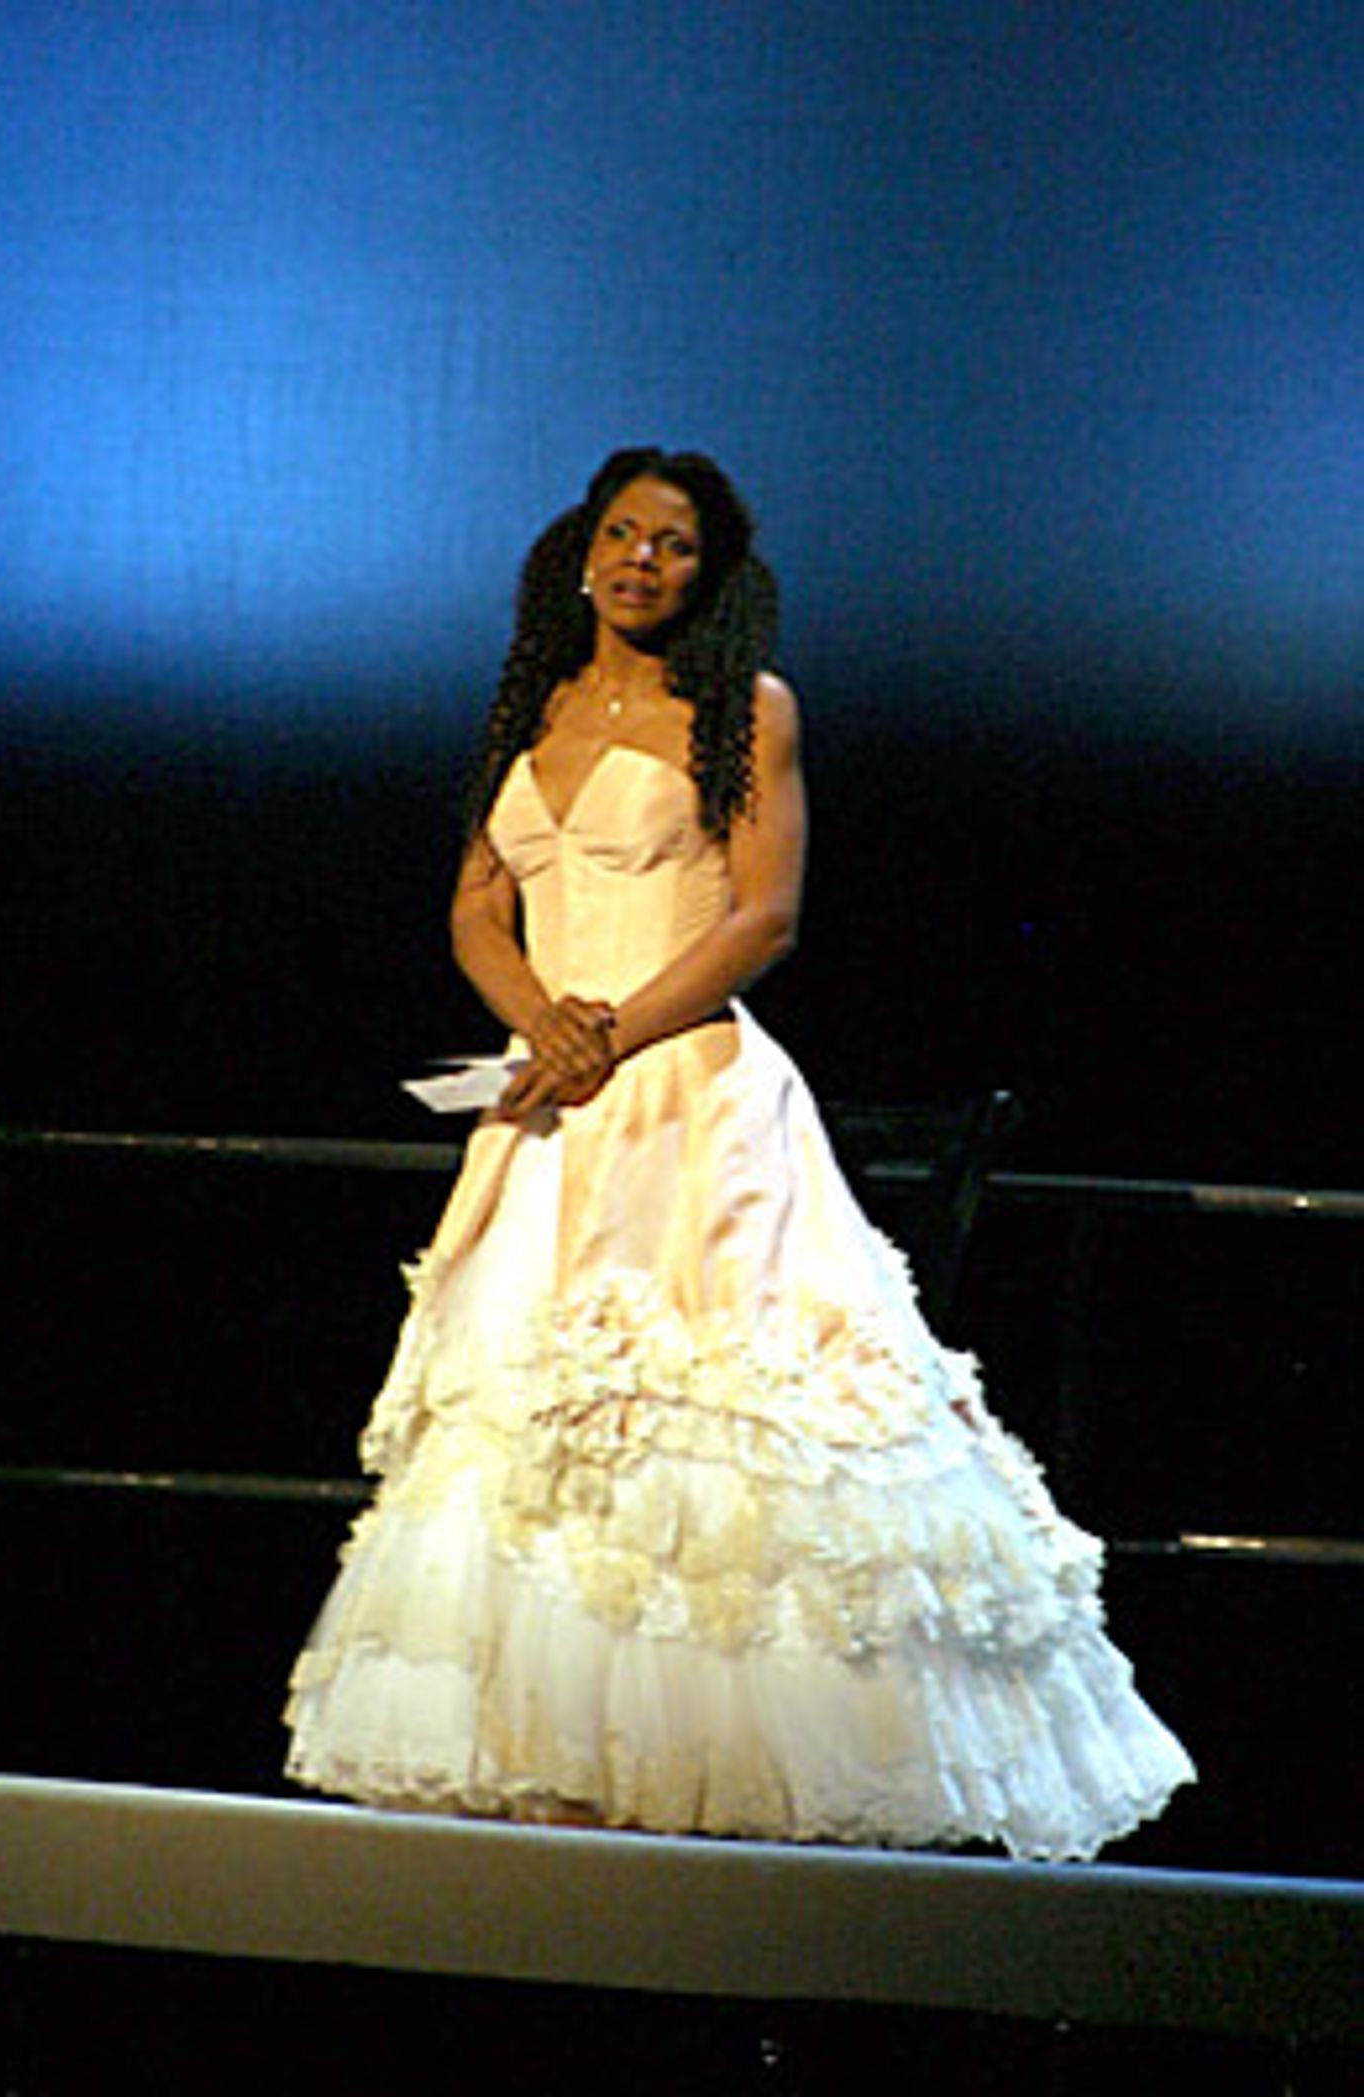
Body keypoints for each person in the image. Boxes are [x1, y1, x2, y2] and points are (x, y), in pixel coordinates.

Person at [283, 448, 1195, 1857]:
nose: (642, 560)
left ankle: (736, 1783)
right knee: (533, 1430)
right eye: (622, 532)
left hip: (687, 1095)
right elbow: (475, 907)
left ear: (710, 573)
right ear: (580, 550)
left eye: (675, 544)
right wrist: (545, 1027)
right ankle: (554, 1762)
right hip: (553, 1109)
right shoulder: (533, 706)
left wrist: (611, 1031)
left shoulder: (746, 708)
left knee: (717, 1424)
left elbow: (764, 916)